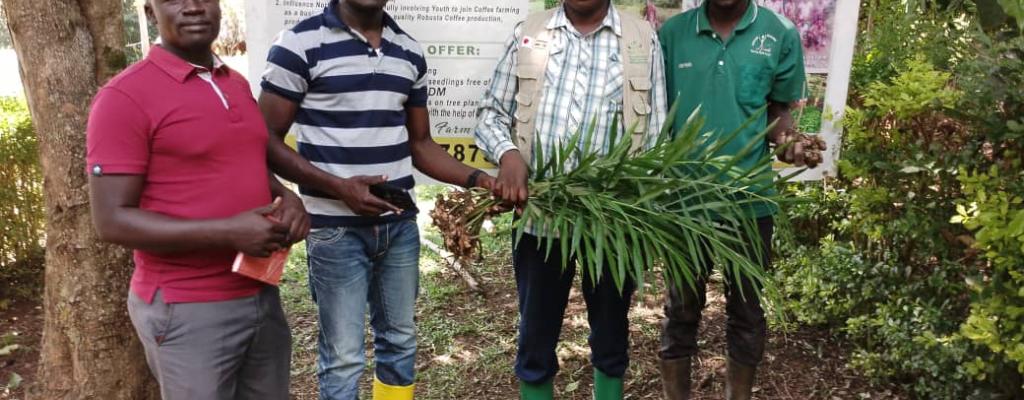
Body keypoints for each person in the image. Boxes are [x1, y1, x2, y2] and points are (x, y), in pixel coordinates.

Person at [258, 0, 496, 398]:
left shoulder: (408, 50)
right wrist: (339, 188)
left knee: (400, 342)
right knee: (344, 357)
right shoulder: (298, 44)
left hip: (398, 229)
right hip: (335, 231)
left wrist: (480, 179)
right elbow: (263, 140)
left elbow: (421, 144)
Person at [86, 0, 310, 399]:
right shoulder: (124, 96)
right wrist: (227, 232)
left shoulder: (234, 83)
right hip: (186, 307)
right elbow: (111, 220)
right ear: (151, 12)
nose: (193, 7)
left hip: (259, 291)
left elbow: (247, 164)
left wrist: (285, 197)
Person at [474, 0, 666, 398]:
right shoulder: (529, 32)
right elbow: (490, 113)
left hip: (614, 222)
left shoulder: (642, 39)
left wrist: (643, 205)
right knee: (535, 338)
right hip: (540, 215)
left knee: (611, 338)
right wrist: (508, 155)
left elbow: (657, 137)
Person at [657, 0, 823, 398]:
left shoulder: (778, 32)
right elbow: (651, 110)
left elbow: (776, 111)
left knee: (747, 311)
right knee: (680, 308)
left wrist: (788, 141)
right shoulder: (672, 34)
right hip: (686, 199)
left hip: (749, 198)